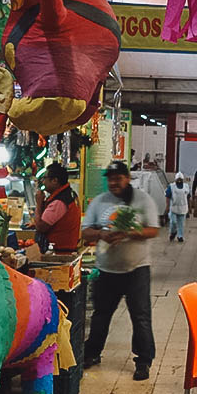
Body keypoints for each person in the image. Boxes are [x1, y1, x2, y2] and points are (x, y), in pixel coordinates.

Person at [81, 161, 160, 379]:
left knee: (141, 317)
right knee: (101, 315)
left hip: (137, 269)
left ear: (127, 178)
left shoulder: (143, 200)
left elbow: (153, 230)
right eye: (111, 179)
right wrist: (101, 234)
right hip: (106, 270)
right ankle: (92, 354)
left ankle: (143, 361)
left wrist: (128, 232)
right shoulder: (99, 202)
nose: (114, 183)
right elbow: (86, 231)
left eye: (118, 178)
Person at [33, 162, 82, 253]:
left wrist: (39, 203)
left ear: (55, 180)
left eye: (45, 178)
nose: (43, 182)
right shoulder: (70, 194)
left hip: (58, 252)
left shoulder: (59, 202)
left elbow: (41, 226)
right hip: (66, 249)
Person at [165, 173, 191, 242]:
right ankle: (173, 232)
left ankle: (180, 236)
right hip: (173, 207)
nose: (179, 181)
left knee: (181, 223)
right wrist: (167, 206)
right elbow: (167, 196)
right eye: (178, 179)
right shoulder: (171, 186)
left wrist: (190, 208)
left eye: (180, 179)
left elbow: (188, 197)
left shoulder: (186, 186)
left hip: (183, 207)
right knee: (173, 222)